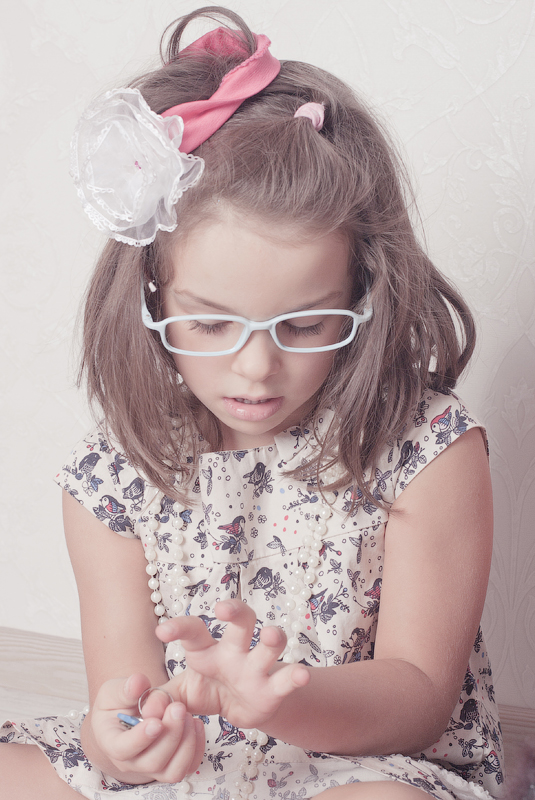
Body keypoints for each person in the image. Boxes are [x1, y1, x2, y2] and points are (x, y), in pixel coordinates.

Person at [0, 6, 503, 800]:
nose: (257, 367)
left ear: (362, 295)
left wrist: (283, 702)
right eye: (210, 323)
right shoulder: (111, 477)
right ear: (151, 299)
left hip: (361, 762)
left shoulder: (427, 448)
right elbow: (123, 700)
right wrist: (126, 742)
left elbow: (416, 699)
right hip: (202, 768)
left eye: (304, 324)